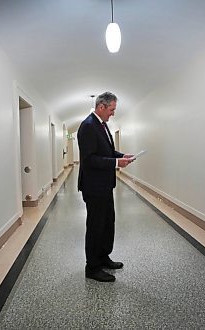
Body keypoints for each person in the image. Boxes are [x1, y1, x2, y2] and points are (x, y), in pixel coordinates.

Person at [77, 92, 134, 282]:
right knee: (96, 226)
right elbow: (89, 160)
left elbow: (107, 151)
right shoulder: (87, 126)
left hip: (105, 185)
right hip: (94, 187)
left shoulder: (101, 125)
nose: (113, 114)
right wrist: (116, 163)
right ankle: (92, 267)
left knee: (107, 223)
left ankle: (103, 257)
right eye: (111, 110)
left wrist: (122, 156)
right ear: (101, 107)